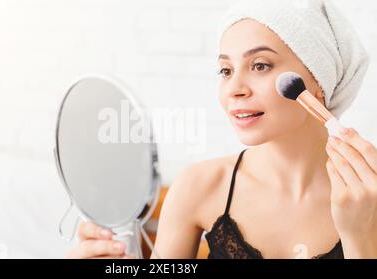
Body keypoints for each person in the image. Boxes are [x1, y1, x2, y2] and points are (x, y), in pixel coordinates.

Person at [67, 0, 377, 259]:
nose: (234, 89)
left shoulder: (368, 196)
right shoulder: (198, 187)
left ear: (319, 81)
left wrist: (360, 239)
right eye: (226, 70)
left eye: (260, 65)